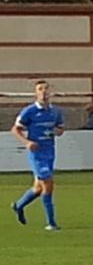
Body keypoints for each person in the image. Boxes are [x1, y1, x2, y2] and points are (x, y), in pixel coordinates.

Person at [11, 79, 66, 230]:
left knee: (38, 188)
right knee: (48, 184)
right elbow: (15, 129)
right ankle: (51, 223)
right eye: (40, 89)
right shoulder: (29, 111)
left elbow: (60, 129)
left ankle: (18, 205)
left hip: (50, 151)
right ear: (36, 93)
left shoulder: (55, 112)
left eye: (46, 89)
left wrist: (58, 131)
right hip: (37, 154)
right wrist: (27, 142)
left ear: (51, 92)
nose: (43, 92)